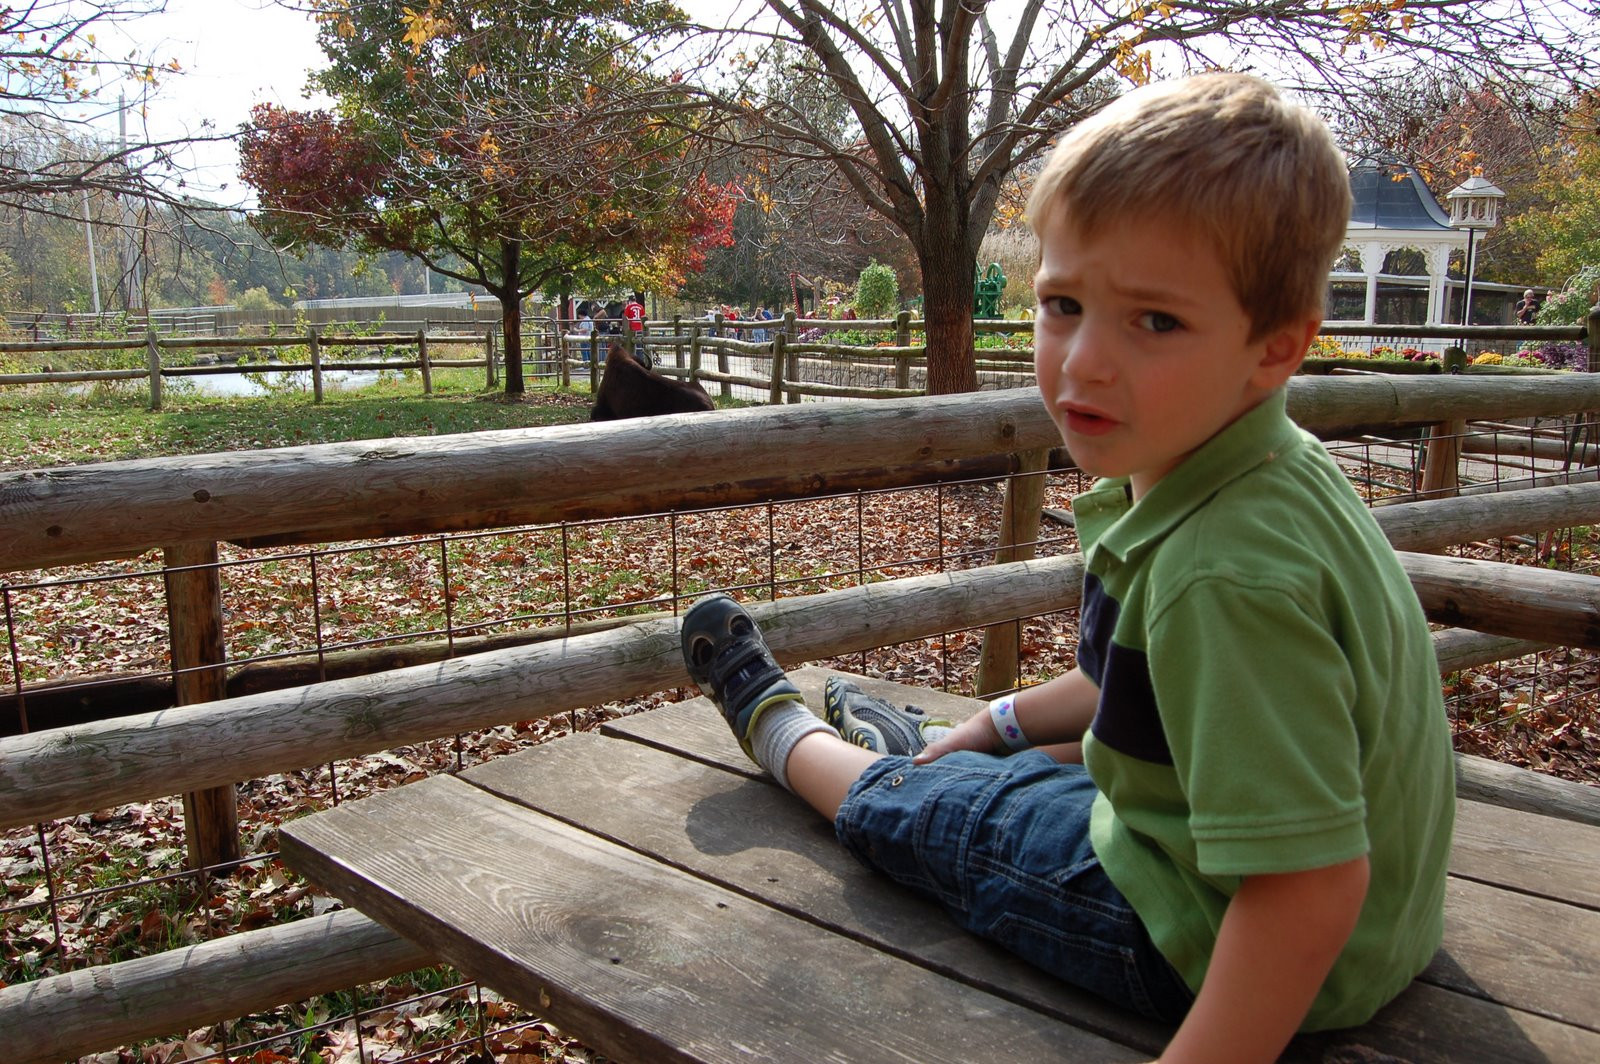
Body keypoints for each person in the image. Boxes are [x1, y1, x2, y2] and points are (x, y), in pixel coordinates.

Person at [678, 72, 1454, 1062]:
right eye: (1063, 302)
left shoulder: (1225, 571)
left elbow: (1305, 888)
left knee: (933, 818)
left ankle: (782, 727)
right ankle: (930, 741)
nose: (1082, 361)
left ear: (1275, 347)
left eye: (1155, 321)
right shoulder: (1245, 470)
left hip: (1222, 942)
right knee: (996, 770)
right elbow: (1124, 689)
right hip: (1332, 905)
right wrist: (993, 721)